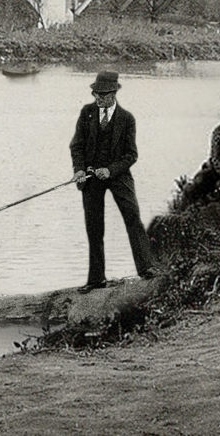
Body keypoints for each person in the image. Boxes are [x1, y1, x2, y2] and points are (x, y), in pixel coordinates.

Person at [69, 71, 156, 293]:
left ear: (113, 94)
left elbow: (131, 155)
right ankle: (96, 279)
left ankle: (146, 268)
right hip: (91, 177)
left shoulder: (127, 119)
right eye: (95, 94)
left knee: (132, 217)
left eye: (102, 94)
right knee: (94, 227)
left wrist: (110, 170)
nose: (97, 98)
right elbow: (76, 146)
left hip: (119, 175)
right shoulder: (86, 112)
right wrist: (79, 170)